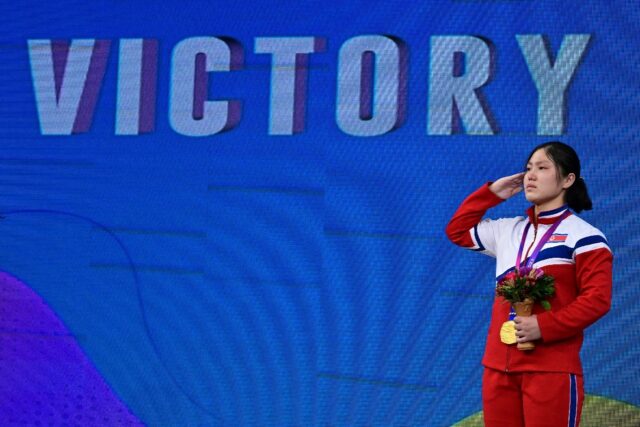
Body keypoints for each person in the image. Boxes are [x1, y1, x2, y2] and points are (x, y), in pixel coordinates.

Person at [445, 141, 613, 427]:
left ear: (567, 180)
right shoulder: (507, 229)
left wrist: (543, 327)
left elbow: (597, 300)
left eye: (542, 167)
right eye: (528, 169)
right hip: (499, 369)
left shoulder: (586, 237)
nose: (530, 175)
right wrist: (492, 194)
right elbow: (457, 230)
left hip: (551, 371)